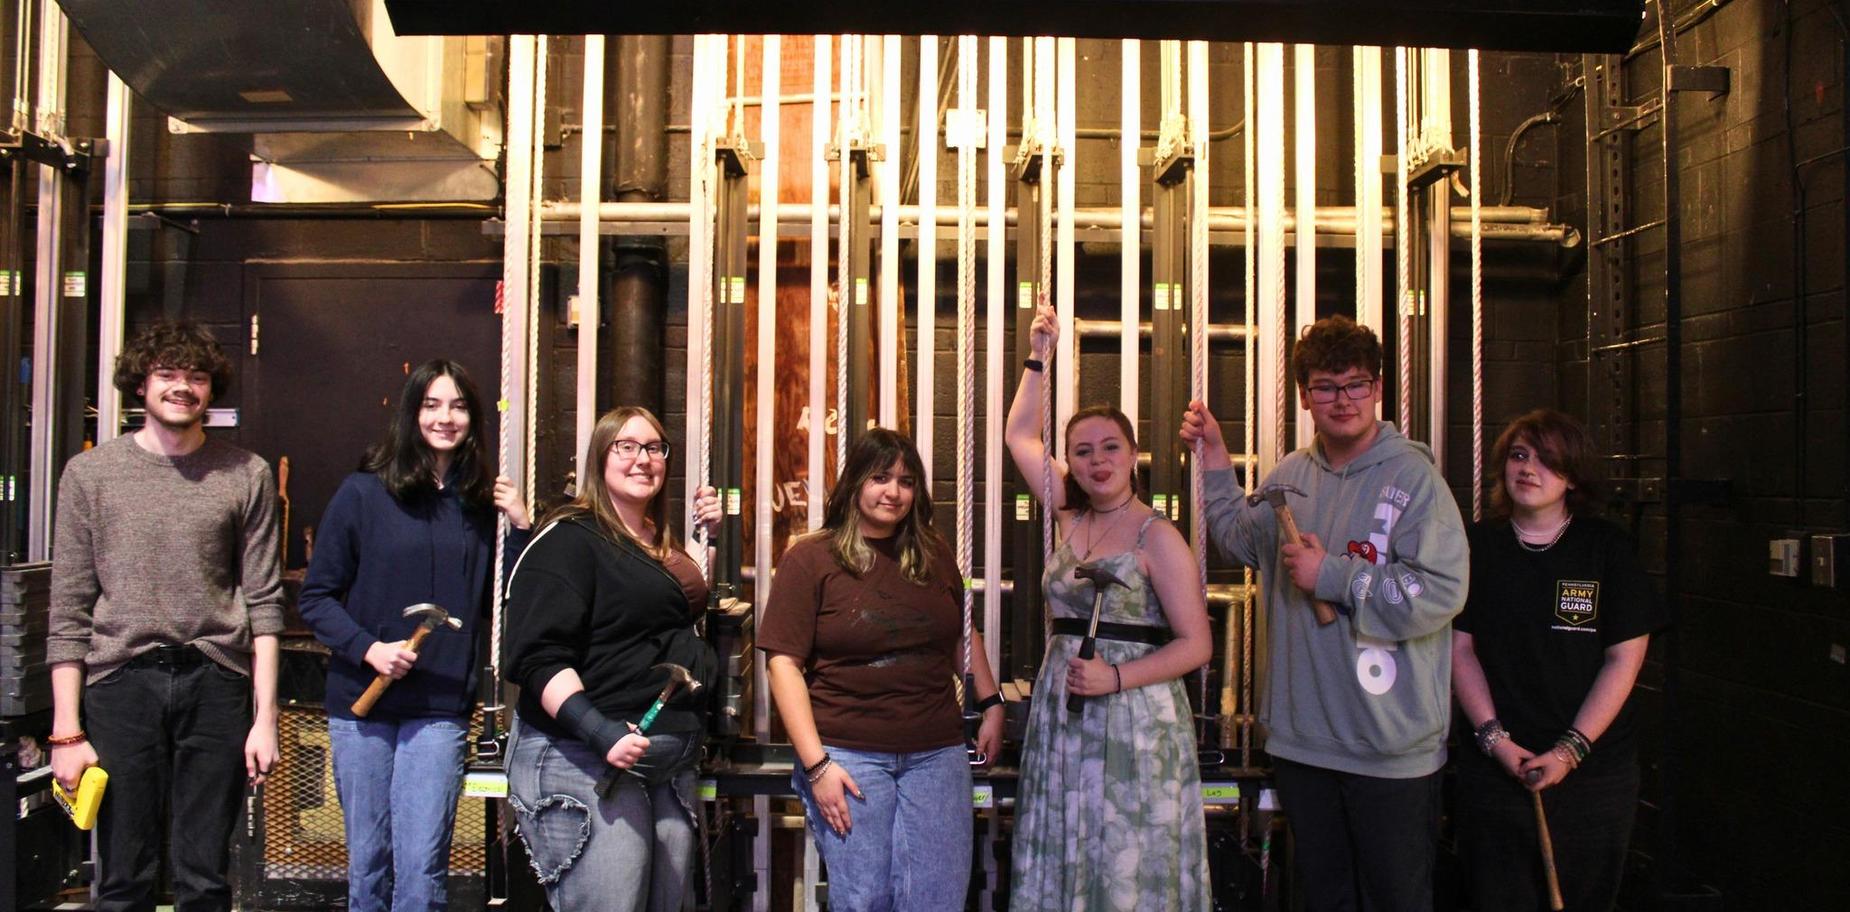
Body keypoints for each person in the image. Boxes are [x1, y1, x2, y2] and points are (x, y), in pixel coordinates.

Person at [1182, 314, 1468, 911]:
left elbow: (1441, 591)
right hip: (1304, 743)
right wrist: (1212, 456)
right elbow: (1236, 537)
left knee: (1396, 899)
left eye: (1356, 383)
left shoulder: (1415, 480)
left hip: (1390, 750)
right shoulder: (1292, 476)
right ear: (1306, 397)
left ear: (1378, 388)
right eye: (1326, 387)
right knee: (1323, 899)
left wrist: (1334, 575)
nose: (1343, 400)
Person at [46, 320, 283, 911]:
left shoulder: (245, 473)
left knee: (205, 874)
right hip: (119, 683)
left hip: (216, 682)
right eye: (168, 374)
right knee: (123, 873)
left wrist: (265, 717)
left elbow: (264, 604)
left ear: (211, 389)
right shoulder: (90, 475)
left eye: (196, 376)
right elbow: (69, 609)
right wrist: (66, 731)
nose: (183, 387)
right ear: (141, 384)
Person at [297, 359, 531, 911]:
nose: (445, 418)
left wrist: (520, 525)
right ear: (412, 413)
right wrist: (368, 648)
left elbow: (508, 598)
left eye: (457, 406)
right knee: (368, 864)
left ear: (472, 418)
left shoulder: (481, 506)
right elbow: (316, 598)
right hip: (361, 703)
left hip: (439, 704)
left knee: (424, 866)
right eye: (432, 405)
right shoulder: (362, 494)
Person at [1004, 305, 1215, 911]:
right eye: (1082, 450)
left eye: (1110, 447)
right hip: (1065, 713)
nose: (1097, 460)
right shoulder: (1070, 513)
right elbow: (1020, 435)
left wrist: (1115, 677)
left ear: (1133, 453)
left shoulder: (1158, 536)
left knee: (1125, 857)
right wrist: (1038, 356)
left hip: (1136, 721)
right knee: (1068, 844)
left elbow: (1196, 645)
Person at [759, 428, 1006, 912]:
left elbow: (958, 635)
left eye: (906, 481)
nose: (893, 492)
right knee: (864, 899)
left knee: (936, 899)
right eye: (880, 478)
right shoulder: (810, 559)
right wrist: (817, 766)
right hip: (848, 755)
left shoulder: (932, 555)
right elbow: (782, 664)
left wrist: (992, 702)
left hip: (936, 753)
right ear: (855, 483)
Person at [501, 406, 721, 912]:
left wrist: (707, 540)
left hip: (665, 763)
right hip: (584, 758)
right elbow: (537, 658)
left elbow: (668, 611)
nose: (642, 458)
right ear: (599, 458)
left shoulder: (653, 541)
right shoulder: (569, 541)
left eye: (654, 447)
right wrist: (599, 731)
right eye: (626, 446)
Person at [1452, 409, 1665, 911]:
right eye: (1520, 456)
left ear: (1572, 477)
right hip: (1497, 766)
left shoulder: (1605, 548)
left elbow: (1624, 660)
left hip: (1593, 773)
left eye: (1547, 461)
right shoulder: (1477, 545)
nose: (1529, 469)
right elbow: (1459, 649)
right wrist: (1495, 740)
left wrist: (1570, 751)